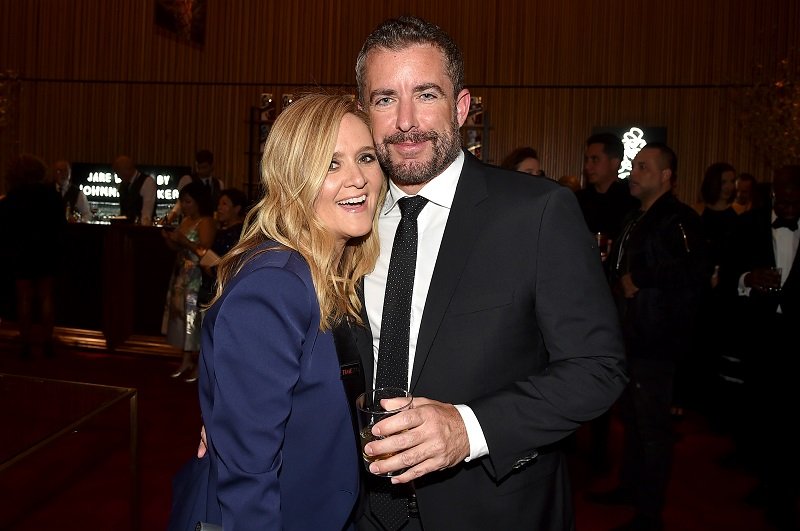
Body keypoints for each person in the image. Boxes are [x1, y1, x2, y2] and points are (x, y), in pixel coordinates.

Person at [342, 16, 626, 531]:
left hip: (494, 510)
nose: (406, 122)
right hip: (360, 509)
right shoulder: (347, 217)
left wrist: (468, 429)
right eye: (385, 99)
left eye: (426, 94)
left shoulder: (537, 212)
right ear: (364, 111)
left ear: (462, 106)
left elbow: (597, 368)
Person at [169, 93, 386, 530]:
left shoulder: (335, 271)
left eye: (366, 157)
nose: (358, 178)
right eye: (330, 163)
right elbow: (247, 473)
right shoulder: (277, 283)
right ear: (293, 178)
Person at [591, 143, 711, 531]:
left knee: (652, 426)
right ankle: (631, 488)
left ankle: (650, 512)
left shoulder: (678, 218)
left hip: (656, 339)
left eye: (643, 167)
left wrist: (639, 278)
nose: (634, 172)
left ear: (665, 176)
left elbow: (696, 268)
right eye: (634, 166)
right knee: (633, 419)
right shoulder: (635, 217)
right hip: (630, 335)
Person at [730, 165, 800, 530]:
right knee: (763, 414)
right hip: (761, 336)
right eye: (783, 199)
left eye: (795, 201)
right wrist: (747, 279)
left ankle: (781, 494)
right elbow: (725, 276)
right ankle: (769, 481)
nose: (788, 206)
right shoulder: (748, 225)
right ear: (773, 194)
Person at [0, 154, 67, 359]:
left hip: (21, 251)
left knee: (24, 298)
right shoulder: (52, 195)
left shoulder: (12, 197)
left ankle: (25, 343)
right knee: (46, 296)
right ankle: (47, 342)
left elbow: (6, 228)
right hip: (47, 250)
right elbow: (60, 225)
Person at [161, 181, 216, 383]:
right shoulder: (185, 221)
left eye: (187, 201)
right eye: (182, 201)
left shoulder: (206, 222)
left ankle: (200, 364)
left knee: (194, 318)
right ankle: (185, 360)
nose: (183, 206)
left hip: (196, 276)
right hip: (181, 273)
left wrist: (183, 240)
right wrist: (168, 238)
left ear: (198, 202)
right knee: (182, 317)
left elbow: (204, 251)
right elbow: (178, 249)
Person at [577, 132, 640, 247]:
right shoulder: (578, 200)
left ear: (615, 162)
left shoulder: (633, 201)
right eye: (587, 160)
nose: (587, 166)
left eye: (595, 159)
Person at [197, 187, 248, 307]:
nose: (219, 208)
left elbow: (234, 264)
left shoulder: (239, 233)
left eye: (224, 204)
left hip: (222, 291)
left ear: (237, 208)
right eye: (219, 204)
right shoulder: (221, 230)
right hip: (210, 287)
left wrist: (212, 269)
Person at [165, 149, 225, 224]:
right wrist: (168, 219)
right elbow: (179, 204)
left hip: (211, 223)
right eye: (199, 168)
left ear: (212, 166)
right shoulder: (187, 180)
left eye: (204, 167)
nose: (201, 171)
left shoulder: (219, 184)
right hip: (190, 223)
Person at [113, 154, 157, 225]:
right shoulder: (123, 184)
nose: (118, 176)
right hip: (126, 228)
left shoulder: (147, 182)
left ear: (126, 170)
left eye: (118, 173)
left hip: (140, 229)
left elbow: (147, 213)